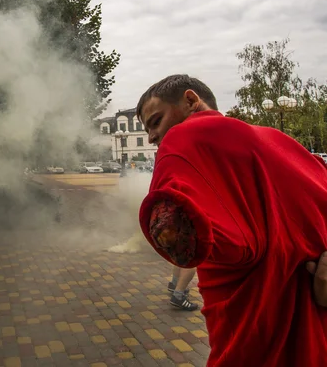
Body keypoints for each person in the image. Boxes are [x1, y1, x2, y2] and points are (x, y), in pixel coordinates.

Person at [136, 74, 327, 367]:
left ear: (190, 101)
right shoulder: (283, 141)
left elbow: (169, 230)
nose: (152, 137)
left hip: (255, 333)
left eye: (155, 121)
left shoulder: (181, 137)